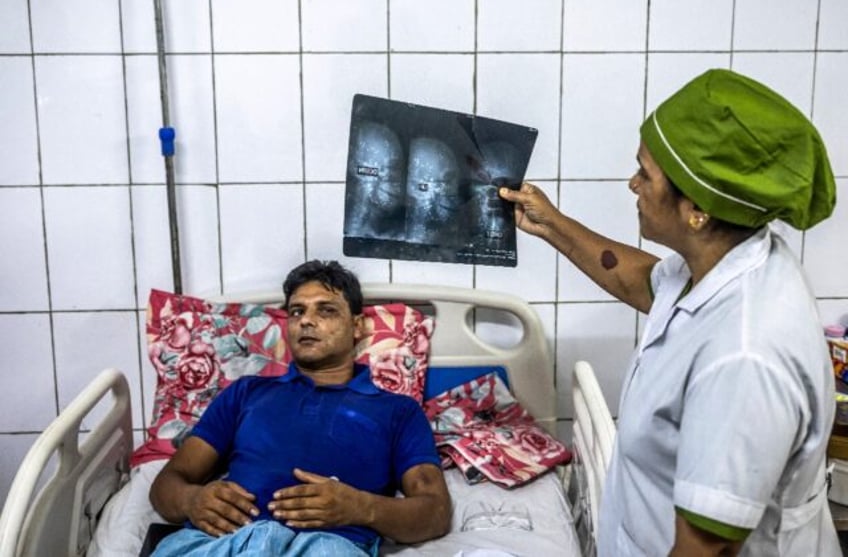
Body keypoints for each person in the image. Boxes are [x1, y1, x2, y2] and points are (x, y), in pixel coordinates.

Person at [499, 69, 840, 556]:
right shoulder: (720, 259)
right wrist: (551, 223)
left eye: (646, 173)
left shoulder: (745, 357)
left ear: (697, 209)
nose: (632, 183)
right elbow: (646, 282)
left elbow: (707, 548)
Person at [149, 260, 451, 556]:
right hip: (227, 540)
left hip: (328, 545)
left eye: (326, 310)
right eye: (297, 311)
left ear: (357, 326)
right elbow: (167, 483)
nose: (306, 320)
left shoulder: (397, 411)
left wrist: (361, 507)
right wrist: (192, 500)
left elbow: (434, 512)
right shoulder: (246, 393)